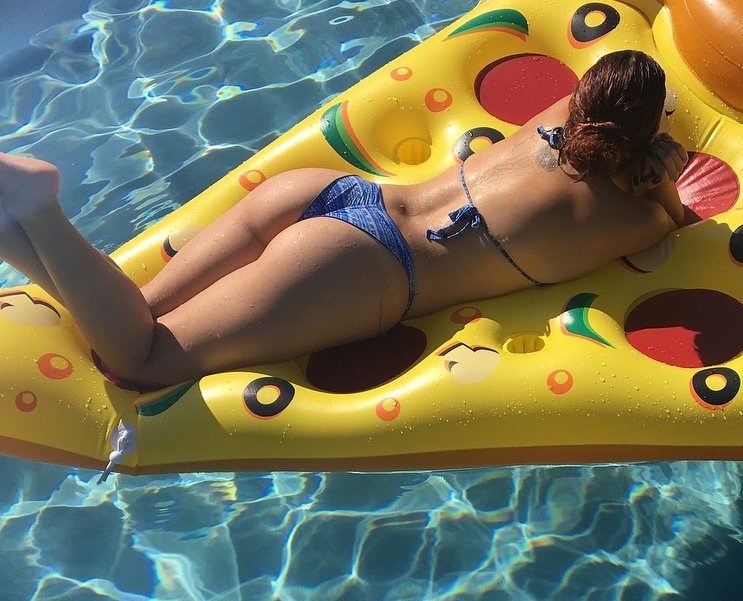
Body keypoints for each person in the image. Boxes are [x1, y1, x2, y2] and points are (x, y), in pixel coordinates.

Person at [0, 50, 687, 389]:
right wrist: (660, 179)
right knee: (141, 360)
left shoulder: (552, 119)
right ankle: (39, 206)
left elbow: (594, 134)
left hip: (331, 193)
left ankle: (11, 221)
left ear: (583, 100)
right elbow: (674, 221)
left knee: (138, 310)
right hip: (361, 267)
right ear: (644, 132)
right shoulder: (618, 218)